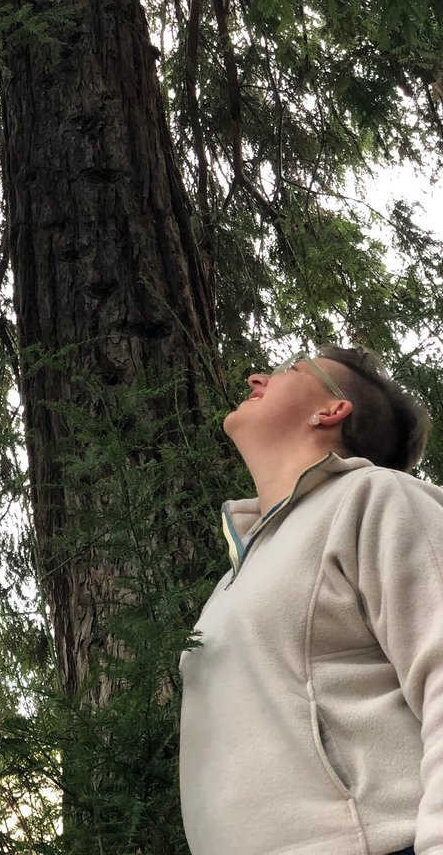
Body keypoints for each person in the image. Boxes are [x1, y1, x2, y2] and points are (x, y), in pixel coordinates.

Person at [179, 345, 439, 855]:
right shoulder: (233, 581)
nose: (255, 376)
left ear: (331, 410)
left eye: (289, 370)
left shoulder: (376, 497)